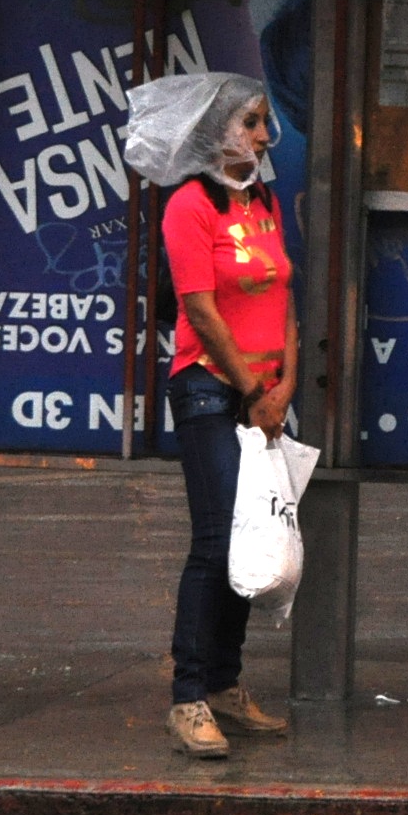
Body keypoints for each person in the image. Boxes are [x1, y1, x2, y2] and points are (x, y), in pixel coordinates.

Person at [126, 72, 299, 760]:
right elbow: (200, 309)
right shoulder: (189, 207)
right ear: (215, 132)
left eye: (263, 123)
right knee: (215, 541)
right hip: (208, 388)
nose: (262, 135)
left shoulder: (264, 200)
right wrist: (254, 386)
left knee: (249, 542)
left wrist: (281, 384)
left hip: (266, 392)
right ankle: (189, 696)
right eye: (251, 123)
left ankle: (226, 685)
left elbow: (286, 294)